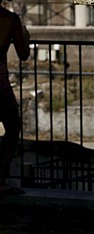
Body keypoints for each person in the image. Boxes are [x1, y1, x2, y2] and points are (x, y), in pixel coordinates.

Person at [0, 0, 29, 195]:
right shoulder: (9, 19)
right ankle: (0, 179)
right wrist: (25, 35)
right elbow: (24, 54)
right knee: (13, 126)